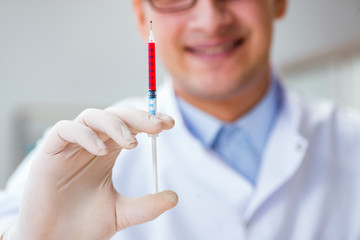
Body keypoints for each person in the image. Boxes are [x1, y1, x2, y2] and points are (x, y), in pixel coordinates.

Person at [1, 0, 360, 239]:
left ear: (278, 2)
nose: (210, 19)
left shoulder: (351, 142)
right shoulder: (75, 159)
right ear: (143, 18)